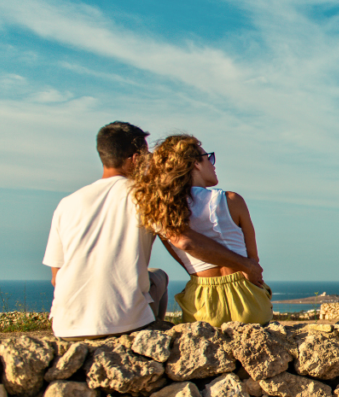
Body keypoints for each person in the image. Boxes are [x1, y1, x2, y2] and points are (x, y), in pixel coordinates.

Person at [43, 122, 263, 339]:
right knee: (159, 278)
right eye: (147, 155)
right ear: (136, 158)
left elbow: (56, 277)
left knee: (156, 275)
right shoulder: (143, 195)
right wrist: (246, 265)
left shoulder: (67, 203)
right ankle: (151, 328)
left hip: (65, 326)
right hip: (124, 323)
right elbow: (185, 241)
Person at [131, 134, 273, 326]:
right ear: (196, 164)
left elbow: (188, 263)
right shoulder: (231, 200)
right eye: (209, 158)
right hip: (248, 298)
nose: (213, 164)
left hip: (203, 303)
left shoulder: (163, 212)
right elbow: (253, 261)